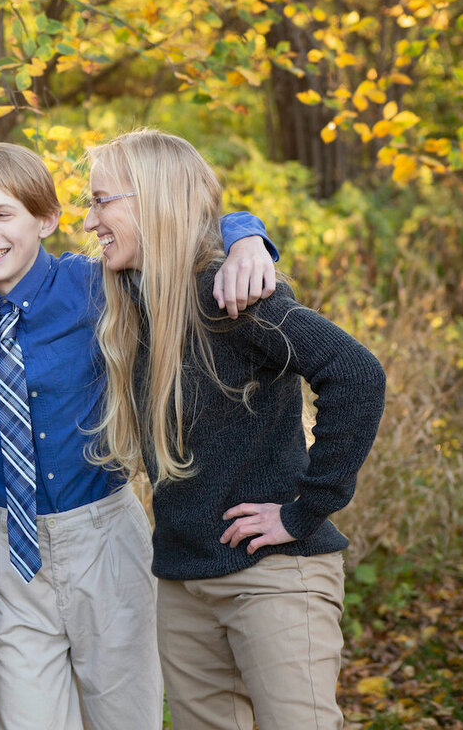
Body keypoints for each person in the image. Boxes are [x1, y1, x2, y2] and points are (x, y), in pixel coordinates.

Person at [0, 142, 276, 729]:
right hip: (2, 548)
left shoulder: (98, 283)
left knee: (127, 715)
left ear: (46, 219)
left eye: (3, 214)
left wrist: (245, 235)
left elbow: (178, 229)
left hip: (101, 536)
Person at [82, 129, 386, 730]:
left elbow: (356, 374)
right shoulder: (129, 301)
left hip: (273, 576)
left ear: (151, 199)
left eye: (100, 201)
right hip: (183, 579)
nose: (90, 221)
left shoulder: (233, 296)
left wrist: (306, 509)